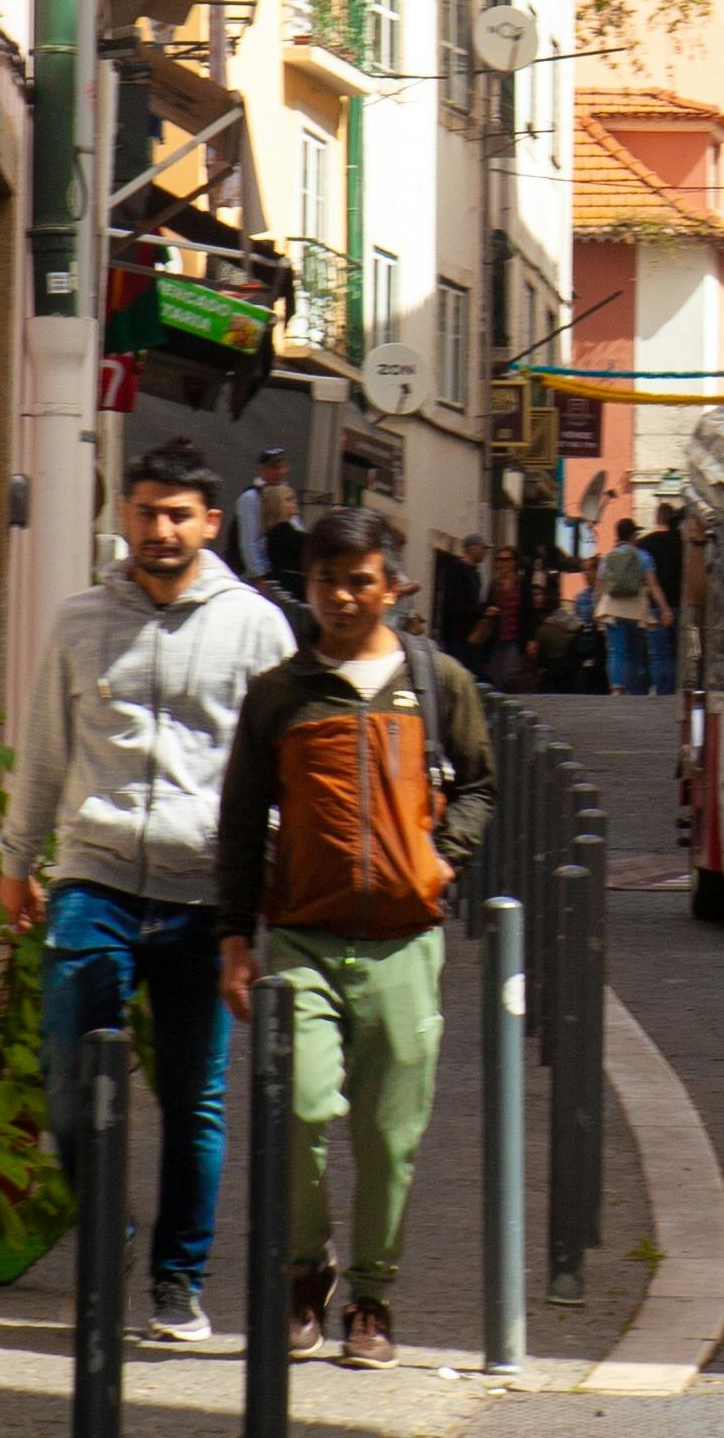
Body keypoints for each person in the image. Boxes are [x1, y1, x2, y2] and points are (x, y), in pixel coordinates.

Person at [0, 437, 300, 1343]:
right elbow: (45, 748)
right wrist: (17, 860)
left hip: (206, 891)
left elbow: (279, 771)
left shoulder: (256, 628)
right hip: (94, 878)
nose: (159, 530)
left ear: (211, 523)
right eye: (145, 512)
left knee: (194, 1095)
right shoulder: (79, 621)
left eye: (178, 515)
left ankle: (178, 1281)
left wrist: (258, 890)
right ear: (123, 516)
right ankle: (109, 1232)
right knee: (68, 1070)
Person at [217, 507, 495, 1368]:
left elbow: (481, 787)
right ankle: (309, 1272)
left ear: (392, 585)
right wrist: (235, 938)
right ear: (307, 589)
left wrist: (442, 862)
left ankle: (372, 1300)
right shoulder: (279, 695)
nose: (342, 596)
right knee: (300, 1110)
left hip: (407, 941)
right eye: (325, 581)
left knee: (389, 1135)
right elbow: (237, 823)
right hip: (303, 935)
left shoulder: (438, 681)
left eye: (359, 579)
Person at [591, 516, 667, 694]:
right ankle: (633, 687)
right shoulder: (643, 557)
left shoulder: (608, 558)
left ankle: (617, 687)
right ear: (633, 535)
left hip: (613, 609)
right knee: (635, 651)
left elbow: (599, 588)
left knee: (616, 650)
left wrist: (596, 610)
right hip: (636, 609)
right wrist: (664, 608)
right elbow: (653, 585)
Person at [230, 446, 299, 585]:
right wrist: (258, 575)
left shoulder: (286, 492)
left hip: (280, 568)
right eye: (274, 467)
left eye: (282, 466)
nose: (280, 471)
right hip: (263, 572)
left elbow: (295, 526)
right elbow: (249, 541)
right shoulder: (251, 497)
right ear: (262, 470)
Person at [641, 503, 689, 695]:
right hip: (681, 604)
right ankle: (676, 690)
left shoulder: (645, 543)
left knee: (659, 654)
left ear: (656, 517)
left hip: (655, 605)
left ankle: (662, 691)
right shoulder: (683, 544)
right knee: (678, 653)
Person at [430, 532, 489, 670]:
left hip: (470, 635)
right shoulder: (456, 570)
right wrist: (481, 610)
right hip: (457, 635)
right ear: (473, 548)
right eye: (482, 548)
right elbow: (454, 604)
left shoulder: (475, 573)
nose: (485, 552)